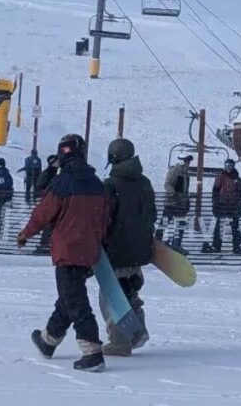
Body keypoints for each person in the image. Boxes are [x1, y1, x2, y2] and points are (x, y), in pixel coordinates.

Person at [18, 134, 110, 372]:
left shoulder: (62, 182)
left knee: (76, 301)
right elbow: (105, 220)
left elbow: (43, 213)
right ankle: (48, 340)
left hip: (67, 250)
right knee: (69, 296)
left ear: (62, 154)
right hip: (88, 251)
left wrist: (25, 234)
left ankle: (92, 351)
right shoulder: (97, 184)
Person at [100, 138, 156, 356]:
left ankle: (120, 340)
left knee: (113, 296)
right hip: (140, 248)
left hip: (116, 248)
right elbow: (152, 214)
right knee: (130, 289)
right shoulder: (145, 182)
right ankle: (137, 331)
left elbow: (105, 218)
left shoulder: (111, 185)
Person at [207, 159, 241, 254]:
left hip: (233, 206)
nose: (229, 167)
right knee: (219, 227)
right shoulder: (220, 178)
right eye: (227, 165)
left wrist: (239, 207)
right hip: (222, 205)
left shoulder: (238, 180)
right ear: (225, 166)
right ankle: (216, 245)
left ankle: (236, 246)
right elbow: (215, 193)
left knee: (235, 227)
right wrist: (215, 206)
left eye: (230, 165)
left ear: (233, 167)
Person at [159, 154, 193, 253]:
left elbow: (183, 189)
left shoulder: (186, 173)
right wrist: (173, 193)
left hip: (181, 204)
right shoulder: (174, 171)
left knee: (181, 224)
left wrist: (187, 197)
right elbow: (167, 184)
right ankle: (156, 243)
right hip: (171, 203)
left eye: (189, 162)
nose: (188, 164)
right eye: (187, 161)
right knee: (165, 223)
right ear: (183, 161)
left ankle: (176, 244)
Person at [32, 153, 60, 254]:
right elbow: (39, 188)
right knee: (49, 223)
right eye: (57, 161)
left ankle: (48, 244)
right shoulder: (47, 173)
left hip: (53, 201)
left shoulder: (56, 173)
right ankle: (44, 244)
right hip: (47, 202)